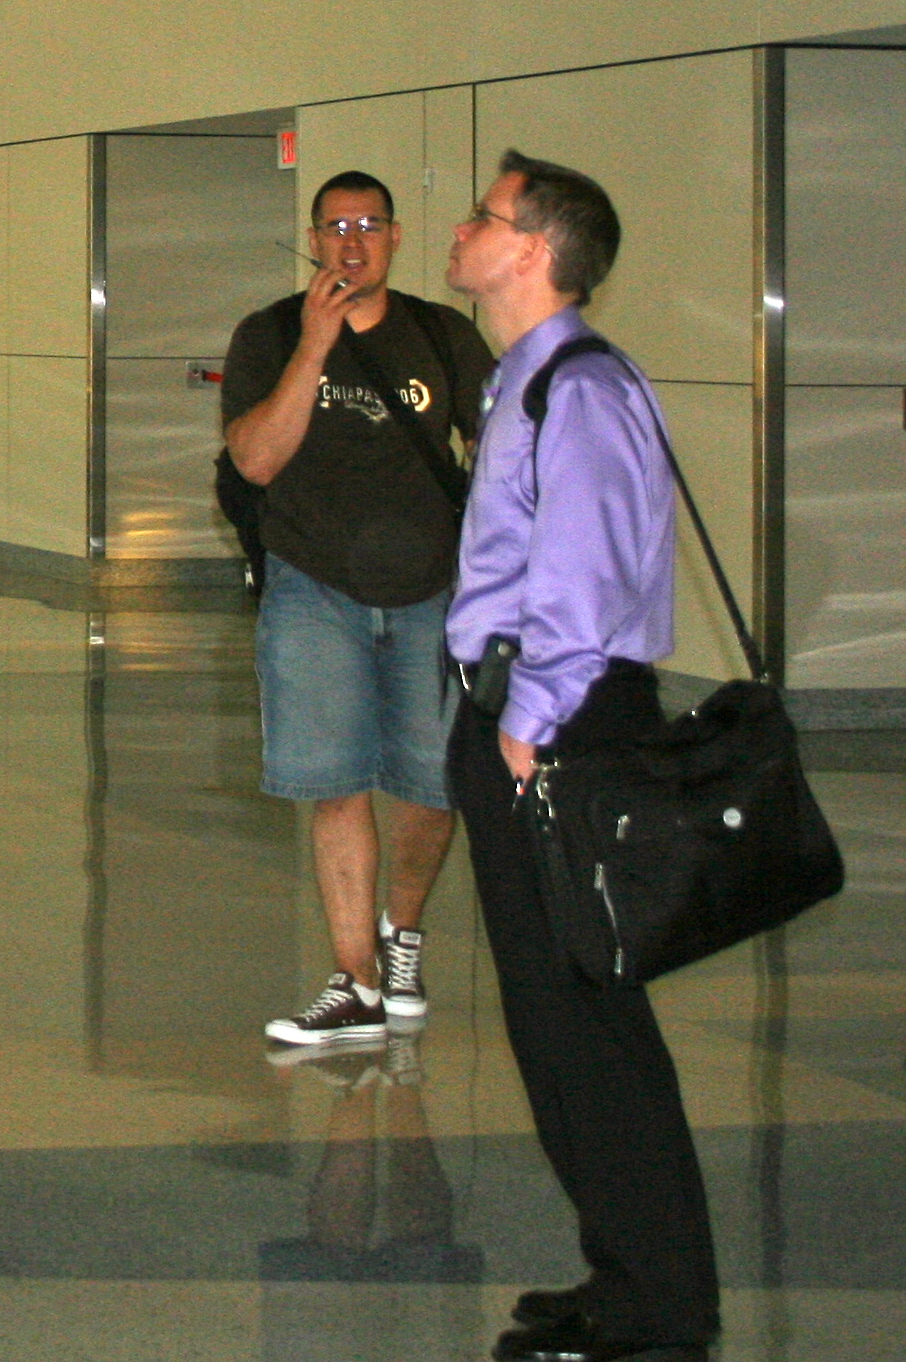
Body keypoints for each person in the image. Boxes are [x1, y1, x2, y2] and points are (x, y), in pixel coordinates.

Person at [442, 152, 715, 1362]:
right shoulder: (520, 378)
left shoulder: (583, 388)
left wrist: (524, 728)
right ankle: (622, 1271)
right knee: (551, 1024)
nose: (460, 228)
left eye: (483, 214)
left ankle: (661, 1306)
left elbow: (582, 580)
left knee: (590, 1027)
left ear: (534, 249)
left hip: (560, 725)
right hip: (521, 718)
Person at [223, 169, 493, 1048]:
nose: (352, 242)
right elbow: (256, 461)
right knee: (335, 783)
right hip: (314, 587)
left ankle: (400, 934)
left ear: (396, 237)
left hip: (432, 593)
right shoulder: (270, 335)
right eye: (335, 227)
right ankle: (355, 980)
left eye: (369, 225)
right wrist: (314, 347)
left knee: (434, 786)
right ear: (313, 240)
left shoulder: (442, 334)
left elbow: (498, 454)